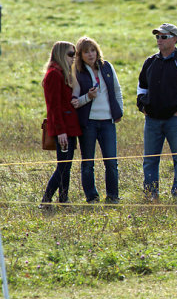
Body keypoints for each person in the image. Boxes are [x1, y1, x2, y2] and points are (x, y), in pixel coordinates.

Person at [137, 23, 177, 200]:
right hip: (152, 121)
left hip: (176, 121)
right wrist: (143, 107)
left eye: (163, 36)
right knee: (150, 159)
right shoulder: (150, 62)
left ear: (174, 39)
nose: (159, 40)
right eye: (157, 36)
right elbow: (141, 88)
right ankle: (151, 193)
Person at [71, 36, 123, 204]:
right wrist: (88, 97)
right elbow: (75, 102)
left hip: (108, 121)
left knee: (111, 161)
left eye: (93, 50)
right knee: (88, 163)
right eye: (86, 52)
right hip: (88, 123)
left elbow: (116, 90)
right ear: (80, 55)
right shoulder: (77, 72)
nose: (91, 54)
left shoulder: (107, 67)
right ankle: (91, 197)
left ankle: (113, 196)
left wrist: (119, 111)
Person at [40, 41, 81, 207]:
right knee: (63, 166)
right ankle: (46, 200)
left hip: (70, 128)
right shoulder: (54, 74)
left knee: (66, 165)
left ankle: (63, 199)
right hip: (62, 129)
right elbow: (53, 107)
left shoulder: (62, 73)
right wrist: (60, 131)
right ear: (60, 54)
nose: (73, 58)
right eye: (71, 54)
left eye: (75, 54)